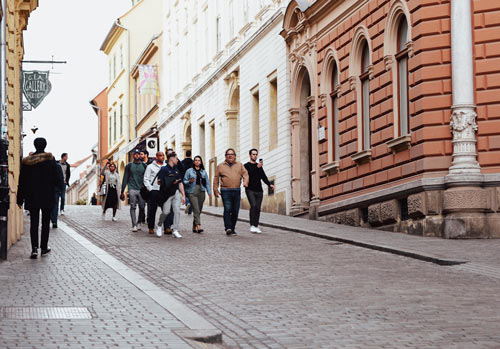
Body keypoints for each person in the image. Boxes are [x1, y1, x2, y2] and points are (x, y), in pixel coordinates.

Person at [17, 138, 64, 259]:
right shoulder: (50, 159)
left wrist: (20, 197)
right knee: (45, 223)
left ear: (35, 145)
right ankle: (43, 248)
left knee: (34, 223)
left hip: (32, 196)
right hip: (47, 195)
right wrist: (57, 189)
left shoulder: (27, 161)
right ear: (45, 145)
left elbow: (22, 180)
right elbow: (57, 177)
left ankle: (34, 249)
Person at [213, 148, 249, 236]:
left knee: (235, 210)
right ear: (225, 156)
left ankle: (232, 228)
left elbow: (245, 174)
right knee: (228, 209)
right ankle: (228, 228)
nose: (230, 156)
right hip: (225, 190)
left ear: (235, 156)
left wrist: (245, 182)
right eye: (228, 154)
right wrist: (215, 189)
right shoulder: (220, 166)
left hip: (236, 190)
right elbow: (216, 178)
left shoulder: (240, 165)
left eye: (232, 154)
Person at [156, 152, 185, 238]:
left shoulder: (176, 170)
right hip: (167, 194)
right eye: (176, 158)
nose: (177, 160)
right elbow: (159, 182)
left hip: (176, 193)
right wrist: (168, 182)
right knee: (166, 212)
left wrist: (183, 195)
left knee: (177, 212)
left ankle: (175, 230)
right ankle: (159, 225)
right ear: (171, 159)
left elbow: (180, 183)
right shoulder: (163, 169)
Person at [244, 149, 274, 234]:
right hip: (250, 189)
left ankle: (256, 225)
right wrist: (257, 168)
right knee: (253, 206)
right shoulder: (246, 165)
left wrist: (269, 184)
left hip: (259, 190)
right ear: (250, 155)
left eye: (256, 154)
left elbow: (263, 176)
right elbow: (248, 175)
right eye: (253, 154)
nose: (255, 156)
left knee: (257, 207)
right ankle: (252, 225)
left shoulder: (259, 166)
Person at [183, 155, 211, 233]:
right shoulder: (189, 171)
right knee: (196, 209)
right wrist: (189, 181)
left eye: (199, 160)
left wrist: (209, 192)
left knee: (199, 210)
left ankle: (194, 225)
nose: (197, 161)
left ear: (201, 162)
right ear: (194, 162)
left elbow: (207, 183)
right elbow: (184, 181)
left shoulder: (204, 172)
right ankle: (198, 226)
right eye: (196, 160)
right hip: (192, 191)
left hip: (201, 191)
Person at [121, 149, 146, 232]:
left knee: (142, 207)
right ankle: (134, 225)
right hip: (132, 188)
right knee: (133, 206)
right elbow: (125, 178)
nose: (137, 155)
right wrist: (122, 191)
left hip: (142, 189)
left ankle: (139, 222)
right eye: (135, 154)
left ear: (140, 155)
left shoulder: (144, 166)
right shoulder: (129, 166)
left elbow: (147, 178)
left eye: (138, 154)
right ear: (133, 155)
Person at [144, 151, 165, 234]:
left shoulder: (166, 166)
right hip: (154, 190)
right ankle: (151, 227)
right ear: (156, 157)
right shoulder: (150, 167)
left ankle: (167, 227)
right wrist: (150, 188)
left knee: (166, 209)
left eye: (163, 155)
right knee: (153, 210)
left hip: (163, 191)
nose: (162, 157)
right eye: (160, 156)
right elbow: (146, 178)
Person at [50, 164, 65, 228]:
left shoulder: (47, 166)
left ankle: (51, 218)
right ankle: (54, 221)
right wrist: (61, 189)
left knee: (49, 205)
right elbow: (61, 178)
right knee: (55, 205)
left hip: (48, 190)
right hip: (56, 189)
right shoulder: (58, 166)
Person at [181, 150, 193, 215]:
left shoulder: (182, 162)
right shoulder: (193, 162)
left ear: (185, 154)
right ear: (191, 154)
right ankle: (190, 211)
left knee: (185, 194)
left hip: (184, 180)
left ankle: (187, 203)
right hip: (192, 180)